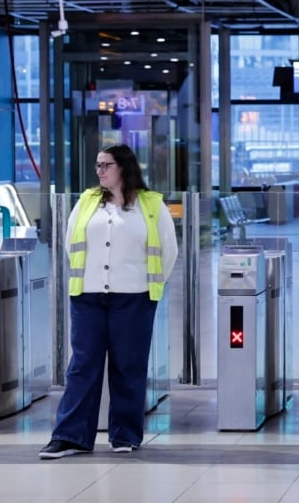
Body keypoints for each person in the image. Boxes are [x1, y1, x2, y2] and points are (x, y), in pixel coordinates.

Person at [39, 143, 179, 459]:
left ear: (124, 168)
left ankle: (125, 434)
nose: (100, 171)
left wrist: (143, 284)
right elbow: (69, 241)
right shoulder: (87, 201)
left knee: (128, 366)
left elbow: (168, 252)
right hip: (87, 296)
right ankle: (69, 436)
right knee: (82, 366)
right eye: (97, 165)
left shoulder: (151, 206)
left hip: (134, 297)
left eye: (106, 165)